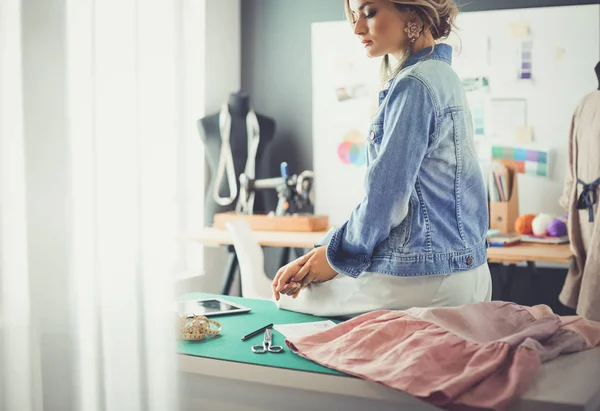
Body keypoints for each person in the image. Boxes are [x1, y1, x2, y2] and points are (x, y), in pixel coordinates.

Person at [271, 0, 492, 317]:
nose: (358, 27)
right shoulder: (445, 76)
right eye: (353, 16)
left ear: (412, 12)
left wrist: (333, 256)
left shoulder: (413, 84)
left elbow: (385, 201)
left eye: (369, 12)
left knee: (288, 301)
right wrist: (328, 249)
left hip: (425, 277)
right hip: (471, 274)